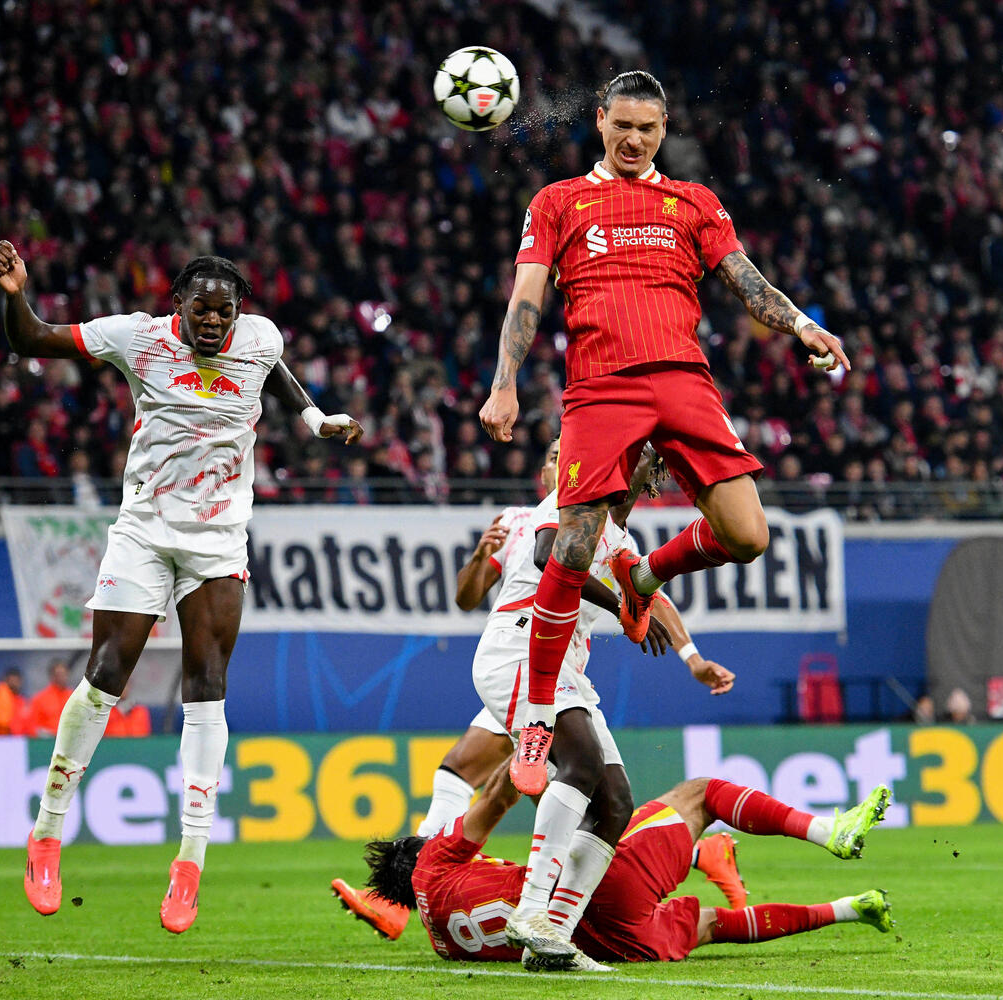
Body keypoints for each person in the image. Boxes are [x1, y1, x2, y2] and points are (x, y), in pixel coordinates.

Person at [476, 70, 849, 804]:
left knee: (748, 535)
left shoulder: (693, 203)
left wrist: (803, 324)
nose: (633, 139)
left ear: (664, 129)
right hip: (601, 386)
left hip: (683, 380)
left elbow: (748, 282)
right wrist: (504, 382)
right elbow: (527, 297)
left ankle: (645, 577)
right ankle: (538, 717)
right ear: (600, 120)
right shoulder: (558, 201)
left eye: (647, 128)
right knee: (573, 546)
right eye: (622, 125)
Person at [0, 240, 363, 933]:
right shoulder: (136, 338)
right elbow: (33, 340)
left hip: (218, 541)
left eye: (225, 312)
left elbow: (276, 371)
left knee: (208, 682)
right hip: (144, 532)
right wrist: (15, 297)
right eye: (201, 311)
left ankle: (190, 861)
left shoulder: (260, 339)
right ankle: (47, 831)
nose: (213, 322)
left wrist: (316, 419)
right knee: (107, 672)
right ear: (178, 307)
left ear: (239, 314)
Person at [332, 443, 737, 947]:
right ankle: (476, 899)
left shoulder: (614, 534)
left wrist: (690, 656)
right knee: (500, 771)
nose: (562, 459)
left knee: (601, 798)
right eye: (552, 454)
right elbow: (485, 588)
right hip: (522, 652)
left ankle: (553, 919)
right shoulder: (538, 513)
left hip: (563, 666)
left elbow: (649, 593)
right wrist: (480, 556)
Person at [362, 760, 893, 971]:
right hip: (594, 888)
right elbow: (498, 795)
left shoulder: (441, 941)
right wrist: (528, 740)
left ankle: (851, 908)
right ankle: (827, 830)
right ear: (418, 853)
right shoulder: (432, 862)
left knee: (714, 926)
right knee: (702, 794)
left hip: (604, 941)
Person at [19, 660, 75, 739]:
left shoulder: (75, 697)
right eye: (58, 674)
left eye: (64, 674)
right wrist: (45, 734)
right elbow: (32, 726)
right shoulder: (40, 699)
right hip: (48, 742)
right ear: (52, 676)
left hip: (70, 740)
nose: (62, 677)